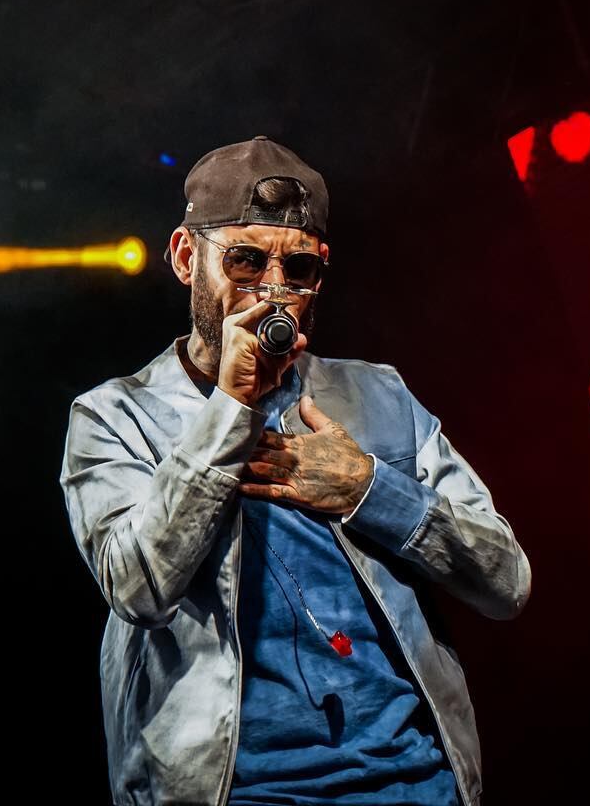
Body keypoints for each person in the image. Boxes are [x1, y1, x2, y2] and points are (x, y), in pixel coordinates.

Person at [60, 136, 531, 806]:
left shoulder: (379, 396)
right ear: (187, 257)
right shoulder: (114, 417)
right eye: (246, 262)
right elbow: (136, 585)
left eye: (298, 270)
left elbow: (506, 579)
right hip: (245, 791)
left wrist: (369, 487)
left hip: (415, 782)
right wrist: (231, 406)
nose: (273, 291)